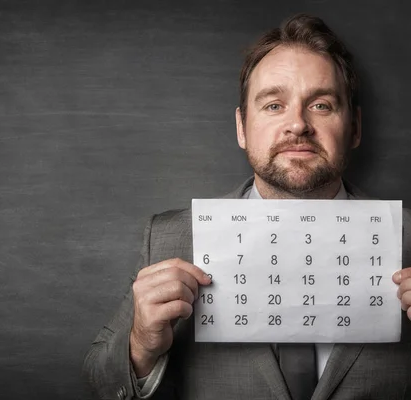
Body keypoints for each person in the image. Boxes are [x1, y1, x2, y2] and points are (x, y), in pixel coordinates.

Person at [83, 13, 411, 400]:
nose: (297, 125)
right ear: (242, 127)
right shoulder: (170, 238)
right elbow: (100, 382)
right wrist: (141, 345)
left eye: (321, 105)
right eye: (274, 106)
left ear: (354, 127)